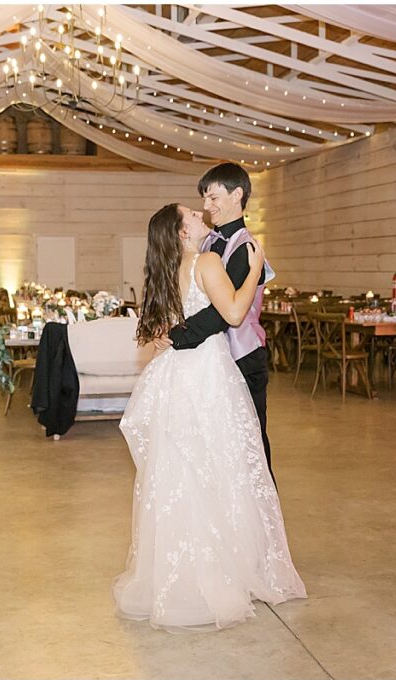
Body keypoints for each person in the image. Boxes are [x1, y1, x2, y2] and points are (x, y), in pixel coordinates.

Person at [113, 203, 306, 633]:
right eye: (193, 217)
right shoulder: (208, 261)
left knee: (185, 472)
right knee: (223, 468)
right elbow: (234, 314)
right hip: (208, 375)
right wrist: (255, 270)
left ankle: (183, 573)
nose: (202, 216)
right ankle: (226, 570)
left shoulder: (168, 272)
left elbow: (167, 328)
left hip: (177, 376)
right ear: (183, 234)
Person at [155, 163, 274, 482]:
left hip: (243, 360)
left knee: (252, 450)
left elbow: (223, 314)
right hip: (213, 364)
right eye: (204, 200)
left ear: (237, 195)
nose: (206, 207)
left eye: (213, 198)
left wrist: (178, 335)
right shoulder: (206, 244)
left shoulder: (246, 249)